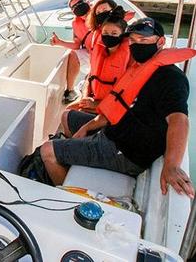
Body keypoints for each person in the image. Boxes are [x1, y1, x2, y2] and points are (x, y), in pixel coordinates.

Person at [38, 18, 195, 198]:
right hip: (115, 129)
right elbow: (116, 107)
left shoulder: (171, 79)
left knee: (47, 150)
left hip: (125, 151)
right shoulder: (141, 68)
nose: (137, 45)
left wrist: (172, 166)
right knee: (67, 116)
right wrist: (86, 128)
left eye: (144, 40)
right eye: (133, 41)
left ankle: (67, 199)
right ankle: (70, 159)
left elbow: (179, 120)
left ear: (160, 42)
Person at [62, 6, 131, 124]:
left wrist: (96, 104)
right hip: (94, 99)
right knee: (67, 112)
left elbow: (127, 96)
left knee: (70, 116)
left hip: (112, 107)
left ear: (123, 35)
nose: (109, 36)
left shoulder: (129, 58)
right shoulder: (99, 51)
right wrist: (85, 97)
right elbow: (90, 77)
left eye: (114, 33)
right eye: (105, 33)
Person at [50, 0, 93, 103]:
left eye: (80, 3)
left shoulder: (99, 14)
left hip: (105, 56)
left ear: (87, 1)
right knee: (73, 54)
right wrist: (59, 42)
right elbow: (77, 45)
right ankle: (70, 91)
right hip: (90, 55)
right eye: (74, 7)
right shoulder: (76, 23)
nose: (78, 7)